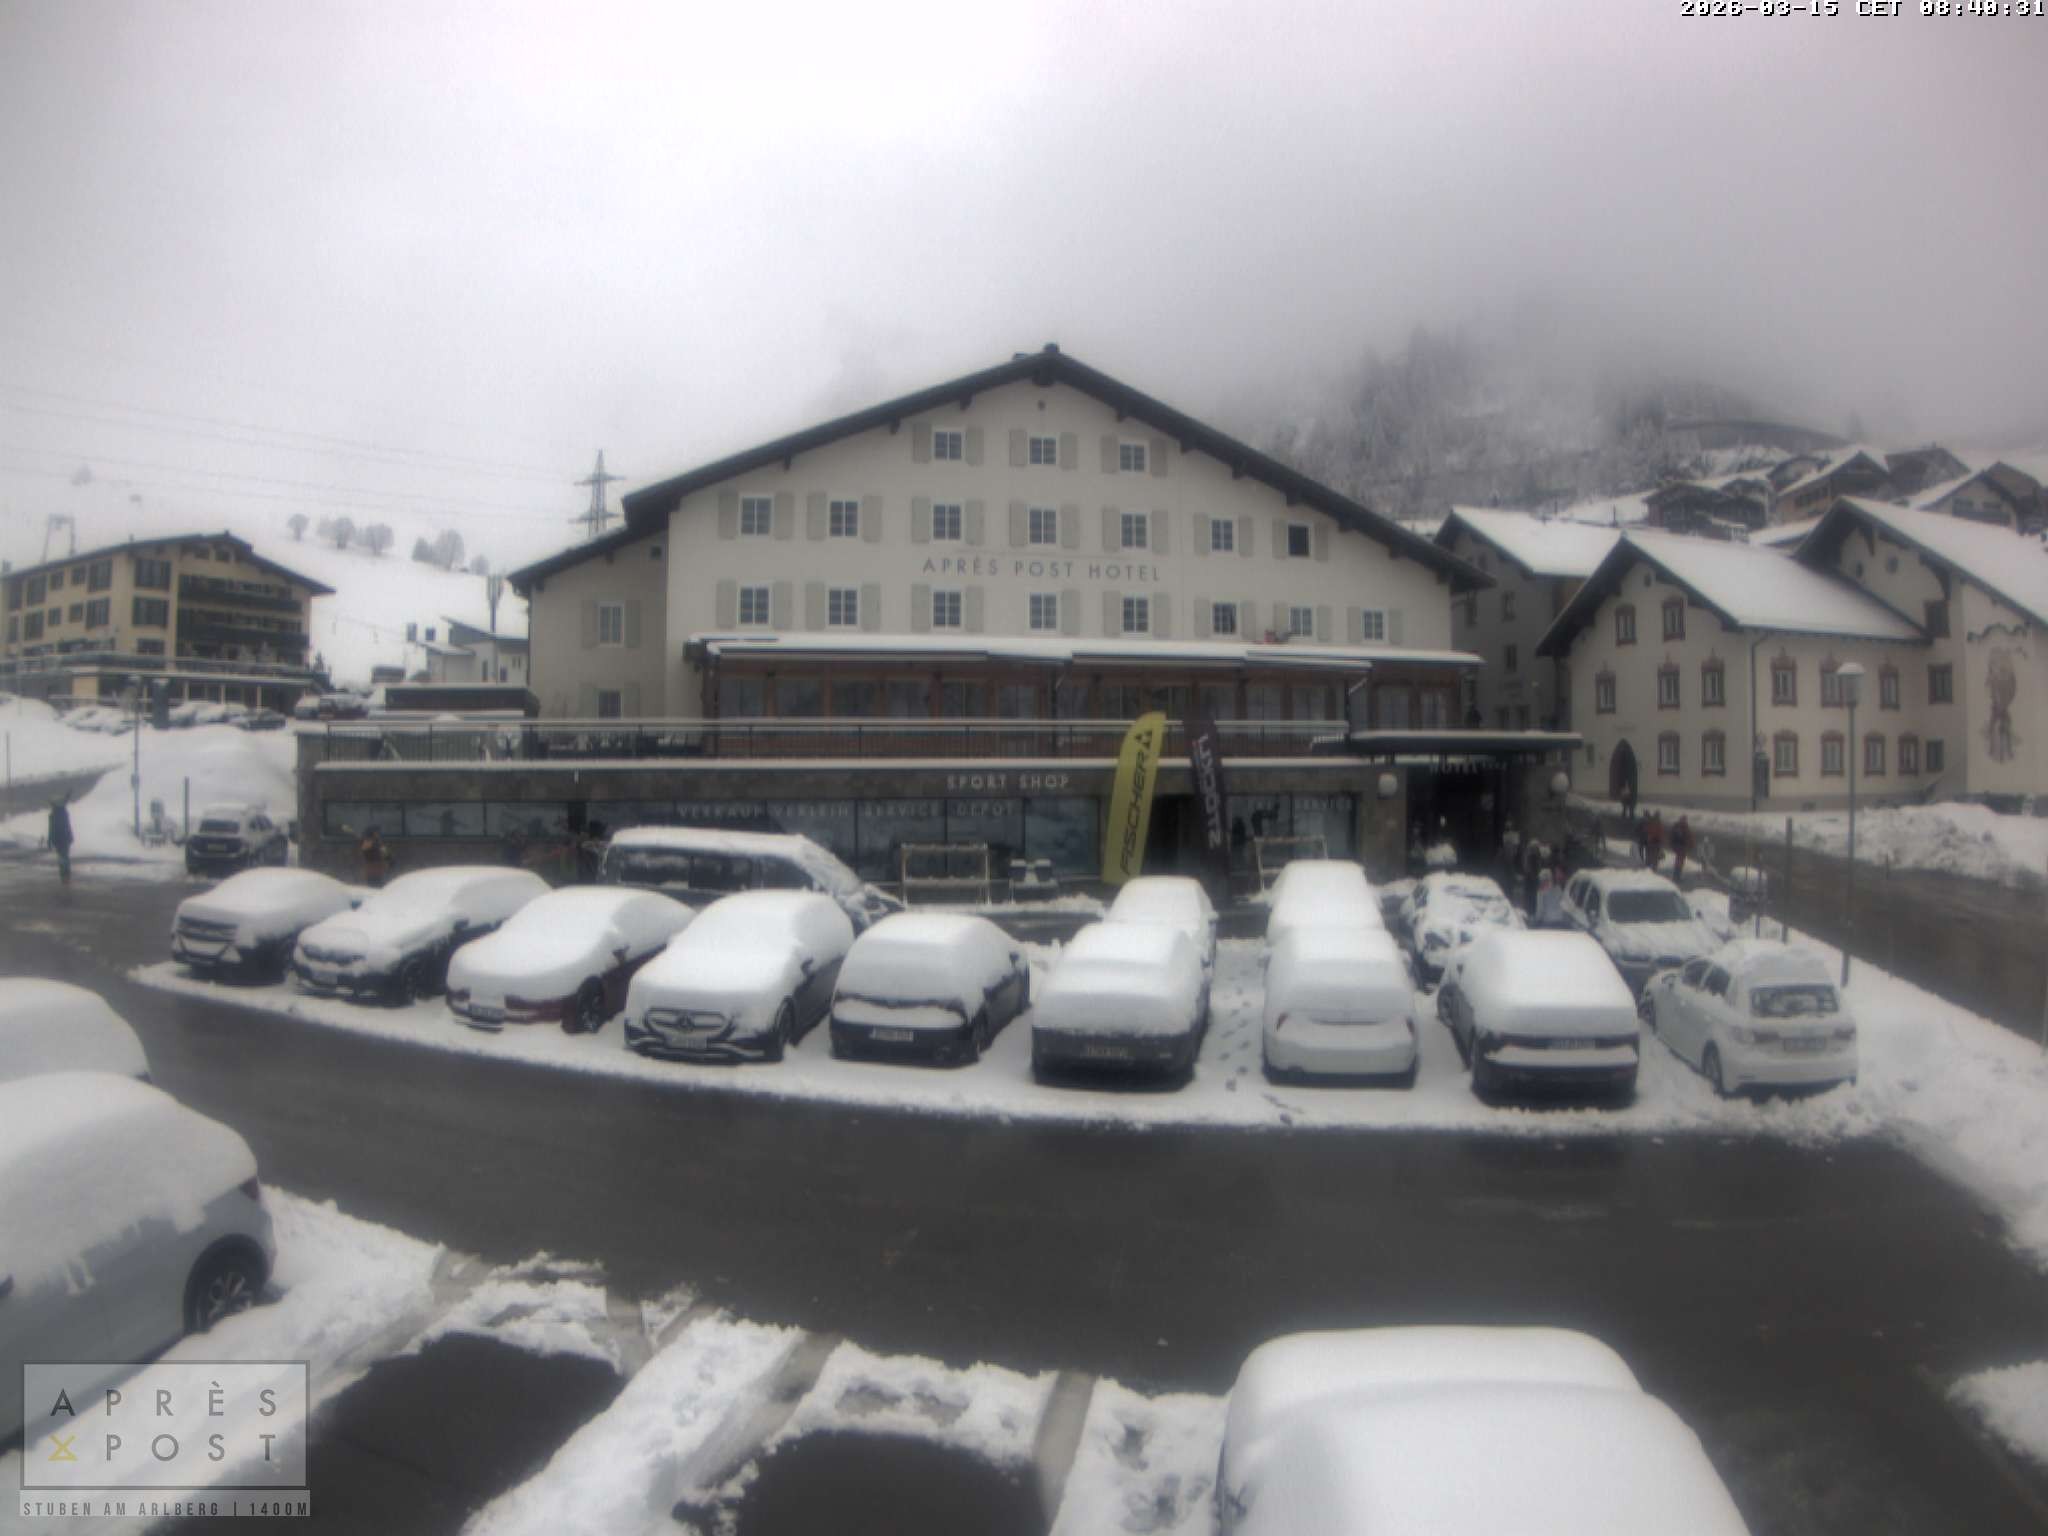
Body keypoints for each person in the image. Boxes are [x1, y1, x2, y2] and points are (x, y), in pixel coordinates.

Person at [47, 796, 73, 884]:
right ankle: (67, 875)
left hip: (58, 840)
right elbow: (68, 826)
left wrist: (50, 841)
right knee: (65, 856)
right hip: (66, 839)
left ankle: (64, 875)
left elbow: (51, 829)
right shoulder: (64, 814)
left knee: (62, 857)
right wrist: (71, 837)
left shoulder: (53, 816)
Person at [1671, 815, 1694, 883]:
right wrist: (1691, 845)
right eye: (1684, 819)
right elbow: (1689, 837)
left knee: (1679, 861)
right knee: (1680, 861)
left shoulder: (1677, 826)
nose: (1684, 821)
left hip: (1679, 847)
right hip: (1681, 847)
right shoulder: (1683, 827)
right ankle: (1677, 876)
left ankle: (1676, 875)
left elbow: (1689, 837)